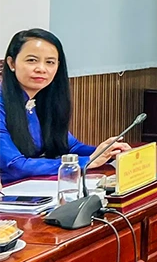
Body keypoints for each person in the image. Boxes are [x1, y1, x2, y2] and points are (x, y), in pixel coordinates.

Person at [0, 29, 129, 182]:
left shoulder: (43, 100)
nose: (41, 69)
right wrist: (87, 161)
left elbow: (70, 147)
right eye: (32, 60)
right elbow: (15, 166)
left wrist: (107, 152)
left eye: (50, 62)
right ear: (11, 63)